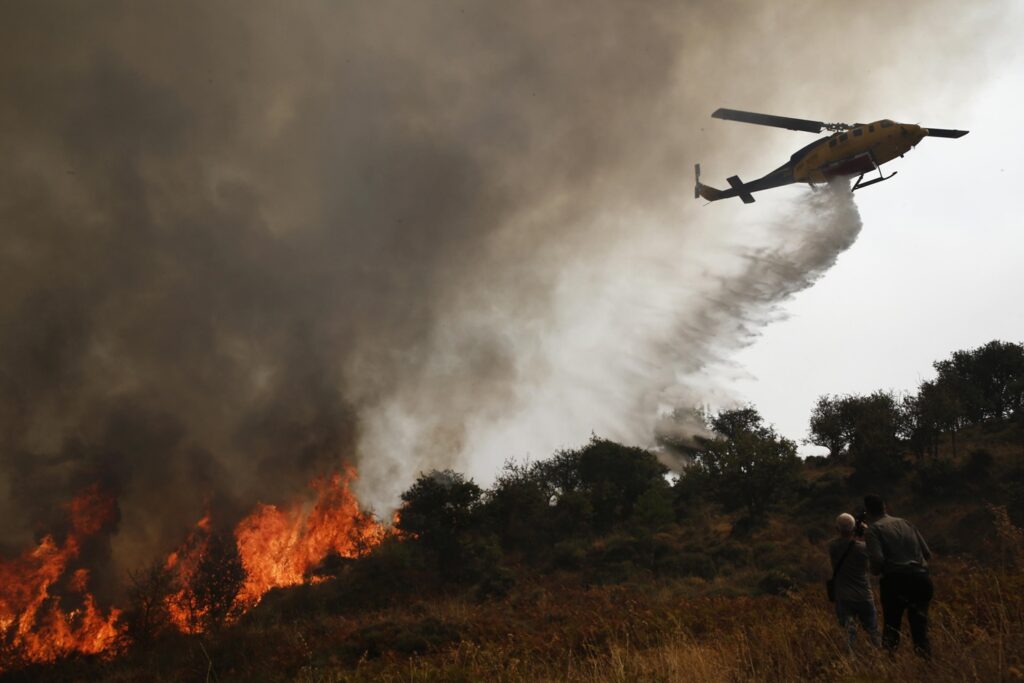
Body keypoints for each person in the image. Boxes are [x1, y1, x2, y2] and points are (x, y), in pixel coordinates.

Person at [863, 494, 933, 656]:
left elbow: (878, 559)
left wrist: (875, 570)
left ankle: (890, 666)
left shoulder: (873, 530)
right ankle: (927, 665)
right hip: (922, 579)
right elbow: (927, 553)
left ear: (867, 511)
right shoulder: (906, 523)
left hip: (896, 582)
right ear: (885, 507)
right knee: (920, 629)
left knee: (892, 628)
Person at [828, 512, 880, 651]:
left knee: (848, 634)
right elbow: (872, 547)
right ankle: (882, 661)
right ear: (854, 529)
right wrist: (865, 530)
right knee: (873, 632)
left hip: (844, 597)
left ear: (837, 529)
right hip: (864, 595)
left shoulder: (833, 547)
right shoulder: (864, 548)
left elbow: (843, 542)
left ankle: (851, 665)